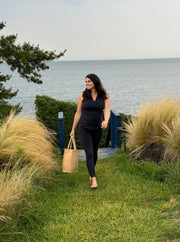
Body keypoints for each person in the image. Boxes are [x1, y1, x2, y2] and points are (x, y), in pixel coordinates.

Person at [70, 74, 110, 189]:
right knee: (89, 153)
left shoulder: (104, 96)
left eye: (89, 81)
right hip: (84, 128)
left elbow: (107, 110)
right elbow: (78, 113)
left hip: (97, 128)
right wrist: (73, 129)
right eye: (86, 81)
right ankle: (93, 180)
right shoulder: (82, 96)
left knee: (95, 152)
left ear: (95, 82)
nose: (86, 83)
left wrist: (106, 121)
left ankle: (91, 171)